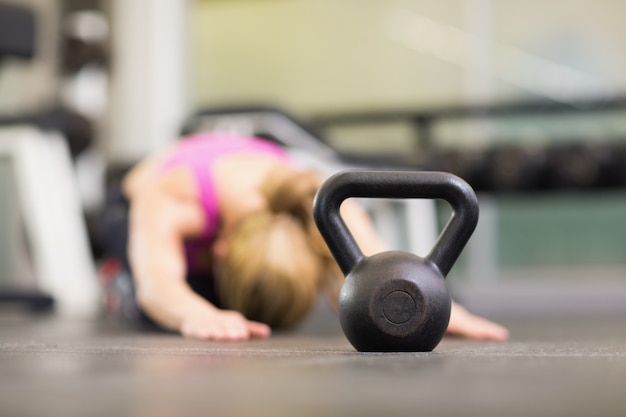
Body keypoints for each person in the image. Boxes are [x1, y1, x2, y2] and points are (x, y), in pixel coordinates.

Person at [100, 132, 509, 342]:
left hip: (251, 191)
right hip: (134, 201)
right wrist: (196, 314)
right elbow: (159, 285)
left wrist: (443, 310)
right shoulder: (177, 195)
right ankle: (119, 277)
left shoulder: (316, 199)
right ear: (220, 251)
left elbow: (378, 267)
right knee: (162, 304)